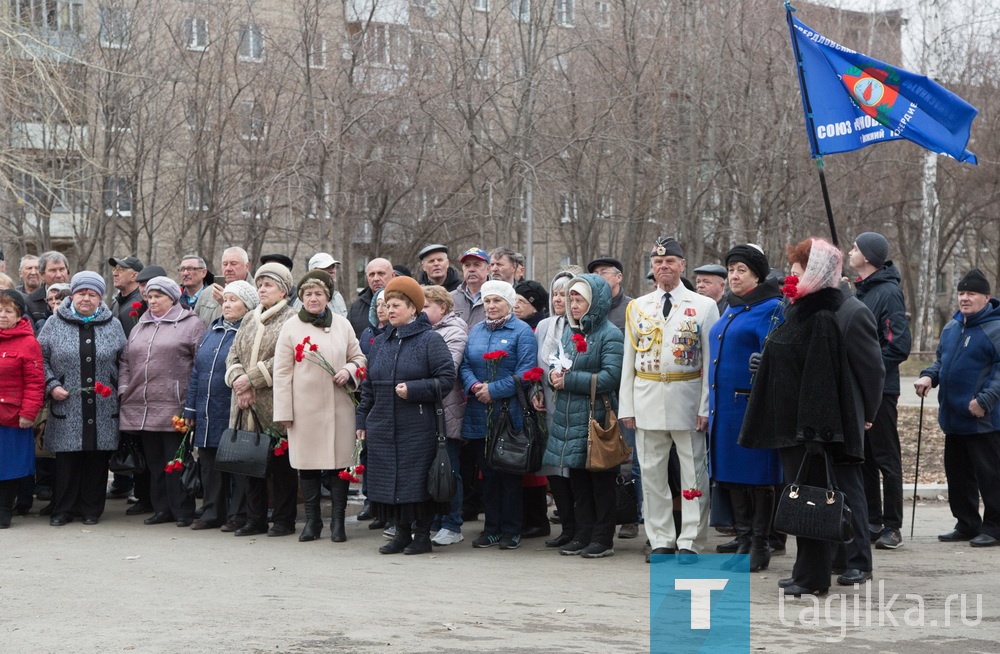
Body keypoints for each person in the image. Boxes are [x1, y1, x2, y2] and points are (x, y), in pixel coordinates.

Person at [740, 238, 868, 597]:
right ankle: (805, 571)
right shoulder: (800, 312)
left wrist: (814, 434)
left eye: (796, 273)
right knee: (799, 500)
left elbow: (821, 380)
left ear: (813, 275)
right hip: (792, 427)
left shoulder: (821, 318)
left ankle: (813, 578)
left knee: (809, 502)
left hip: (807, 431)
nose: (789, 279)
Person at [619, 237, 719, 563]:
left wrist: (706, 406)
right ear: (652, 267)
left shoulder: (703, 306)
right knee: (651, 476)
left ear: (682, 265)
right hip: (646, 399)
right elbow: (628, 362)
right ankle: (660, 539)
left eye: (670, 261)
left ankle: (690, 541)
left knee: (693, 474)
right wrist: (627, 407)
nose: (664, 267)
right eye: (658, 262)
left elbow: (709, 362)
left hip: (687, 399)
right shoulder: (638, 307)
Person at [356, 276, 455, 555]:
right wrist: (362, 420)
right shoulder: (380, 343)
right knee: (390, 480)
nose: (390, 310)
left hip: (419, 425)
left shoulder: (430, 340)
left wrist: (414, 389)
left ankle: (421, 536)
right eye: (387, 305)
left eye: (396, 305)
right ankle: (400, 534)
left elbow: (446, 379)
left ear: (414, 308)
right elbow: (369, 387)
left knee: (417, 482)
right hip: (383, 426)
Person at [274, 269, 366, 543]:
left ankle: (338, 523)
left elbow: (359, 358)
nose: (313, 298)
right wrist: (284, 413)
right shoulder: (290, 327)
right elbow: (281, 372)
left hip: (339, 409)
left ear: (328, 297)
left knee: (339, 466)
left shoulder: (342, 324)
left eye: (319, 294)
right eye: (308, 294)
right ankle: (313, 522)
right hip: (304, 411)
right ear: (301, 297)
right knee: (308, 466)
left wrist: (349, 371)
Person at [707, 245, 783, 571]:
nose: (734, 276)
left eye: (741, 270)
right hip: (723, 407)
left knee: (758, 476)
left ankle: (760, 544)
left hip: (751, 407)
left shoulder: (771, 308)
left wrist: (764, 361)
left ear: (757, 275)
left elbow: (776, 353)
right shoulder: (732, 307)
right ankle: (742, 539)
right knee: (732, 476)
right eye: (731, 270)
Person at [916, 269, 1000, 549]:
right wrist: (929, 376)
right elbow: (942, 361)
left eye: (971, 293)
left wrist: (985, 400)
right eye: (962, 293)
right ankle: (966, 524)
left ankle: (995, 527)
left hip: (983, 419)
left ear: (986, 297)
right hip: (953, 419)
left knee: (990, 475)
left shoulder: (995, 328)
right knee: (958, 474)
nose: (965, 298)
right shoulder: (952, 328)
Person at [543, 274, 624, 558]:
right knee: (578, 480)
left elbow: (611, 377)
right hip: (569, 417)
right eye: (571, 299)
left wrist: (570, 381)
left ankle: (603, 538)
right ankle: (582, 533)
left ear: (596, 302)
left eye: (579, 299)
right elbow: (561, 360)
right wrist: (555, 373)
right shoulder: (571, 331)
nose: (573, 305)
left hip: (596, 417)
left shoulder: (610, 334)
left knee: (600, 482)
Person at [38, 272, 127, 526]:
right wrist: (52, 385)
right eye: (81, 293)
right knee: (67, 462)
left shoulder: (113, 324)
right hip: (66, 405)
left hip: (103, 405)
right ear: (72, 294)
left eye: (92, 294)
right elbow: (40, 358)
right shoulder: (54, 324)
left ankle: (91, 509)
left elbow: (125, 360)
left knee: (96, 460)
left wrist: (116, 386)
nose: (86, 298)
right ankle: (63, 509)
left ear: (100, 298)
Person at [119, 276, 206, 527]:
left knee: (176, 460)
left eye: (159, 296)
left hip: (174, 406)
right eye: (150, 296)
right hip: (141, 406)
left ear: (173, 298)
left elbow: (200, 365)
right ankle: (161, 509)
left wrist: (190, 401)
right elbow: (125, 361)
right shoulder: (139, 326)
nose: (153, 300)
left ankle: (182, 510)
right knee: (155, 462)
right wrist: (124, 387)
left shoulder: (191, 325)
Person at [459, 280, 538, 550]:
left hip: (508, 412)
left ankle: (511, 529)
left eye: (497, 301)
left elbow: (526, 372)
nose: (491, 306)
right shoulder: (476, 330)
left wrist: (494, 390)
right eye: (487, 301)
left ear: (509, 303)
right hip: (479, 412)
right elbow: (466, 364)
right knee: (487, 474)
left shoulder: (521, 331)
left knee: (509, 475)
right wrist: (474, 386)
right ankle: (490, 528)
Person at [849, 232, 912, 550]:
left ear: (870, 257)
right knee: (866, 457)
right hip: (860, 389)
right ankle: (873, 520)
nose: (850, 251)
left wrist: (869, 369)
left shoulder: (887, 292)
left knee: (886, 456)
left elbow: (898, 344)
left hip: (881, 389)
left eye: (856, 248)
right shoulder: (860, 292)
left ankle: (892, 525)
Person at [225, 262, 298, 537]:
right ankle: (254, 520)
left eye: (268, 284)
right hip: (244, 403)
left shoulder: (292, 318)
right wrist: (238, 381)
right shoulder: (248, 318)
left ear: (283, 290)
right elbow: (232, 354)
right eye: (260, 284)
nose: (262, 289)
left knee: (281, 465)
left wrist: (251, 380)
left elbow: (285, 357)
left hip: (274, 402)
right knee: (249, 461)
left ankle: (284, 519)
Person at [183, 280, 258, 531]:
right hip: (206, 409)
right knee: (209, 462)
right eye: (225, 300)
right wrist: (191, 408)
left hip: (233, 409)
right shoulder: (213, 330)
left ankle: (238, 514)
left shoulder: (250, 331)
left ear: (247, 305)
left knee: (237, 463)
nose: (226, 304)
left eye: (233, 300)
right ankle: (213, 511)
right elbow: (197, 371)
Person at [586, 255, 638, 540]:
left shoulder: (632, 308)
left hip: (625, 394)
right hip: (597, 396)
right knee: (603, 457)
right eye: (595, 273)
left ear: (618, 277)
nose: (600, 278)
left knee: (627, 457)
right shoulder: (591, 310)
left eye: (605, 273)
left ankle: (630, 516)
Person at [534, 267, 583, 548]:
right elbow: (535, 365)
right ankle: (566, 527)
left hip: (574, 408)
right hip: (549, 408)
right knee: (555, 470)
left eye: (565, 294)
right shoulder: (544, 326)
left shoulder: (584, 326)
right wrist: (535, 391)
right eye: (555, 293)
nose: (557, 299)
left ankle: (582, 527)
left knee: (574, 469)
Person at [421, 285, 469, 546]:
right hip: (427, 411)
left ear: (443, 308)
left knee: (448, 468)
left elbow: (447, 369)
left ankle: (453, 523)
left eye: (427, 306)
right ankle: (436, 521)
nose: (421, 311)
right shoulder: (423, 331)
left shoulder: (454, 331)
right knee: (431, 468)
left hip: (447, 410)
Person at [0, 290, 45, 528]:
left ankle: (5, 510)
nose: (2, 315)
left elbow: (35, 382)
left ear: (19, 315)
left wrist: (29, 413)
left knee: (8, 467)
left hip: (12, 418)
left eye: (8, 311)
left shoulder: (29, 343)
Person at [348, 258, 393, 337]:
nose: (376, 279)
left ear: (393, 275)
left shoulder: (403, 304)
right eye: (371, 274)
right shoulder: (355, 309)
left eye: (381, 273)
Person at [25, 251, 70, 325]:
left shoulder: (78, 297)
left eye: (62, 269)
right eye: (53, 270)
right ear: (42, 274)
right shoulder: (31, 302)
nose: (58, 275)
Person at [452, 248, 489, 327]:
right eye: (467, 265)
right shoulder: (451, 298)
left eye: (477, 265)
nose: (471, 269)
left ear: (488, 269)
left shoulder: (499, 296)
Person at [108, 256, 144, 338]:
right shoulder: (116, 303)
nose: (114, 274)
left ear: (135, 276)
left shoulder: (141, 305)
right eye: (114, 269)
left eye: (121, 269)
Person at [178, 255, 218, 327]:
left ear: (203, 273)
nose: (185, 273)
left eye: (190, 269)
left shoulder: (216, 297)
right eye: (182, 269)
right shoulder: (174, 299)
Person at [307, 252, 348, 317]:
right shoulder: (306, 299)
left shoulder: (338, 297)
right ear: (313, 272)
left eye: (333, 267)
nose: (332, 270)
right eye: (326, 267)